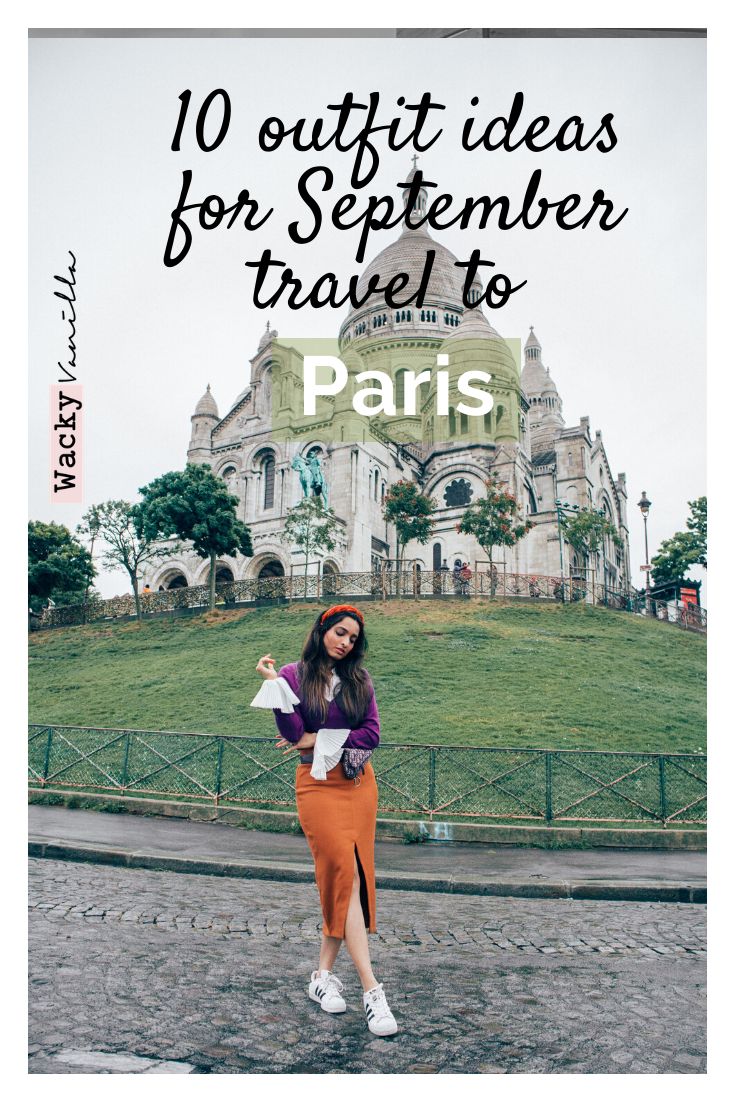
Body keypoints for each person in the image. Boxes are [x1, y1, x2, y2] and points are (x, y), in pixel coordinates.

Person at [251, 604, 398, 1037]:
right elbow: (294, 734)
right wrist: (274, 685)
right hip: (317, 785)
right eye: (339, 633)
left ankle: (321, 977)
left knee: (346, 878)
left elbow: (372, 733)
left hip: (358, 784)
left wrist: (323, 736)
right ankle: (373, 991)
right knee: (343, 873)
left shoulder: (359, 680)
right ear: (322, 630)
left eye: (352, 638)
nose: (345, 642)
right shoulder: (295, 675)